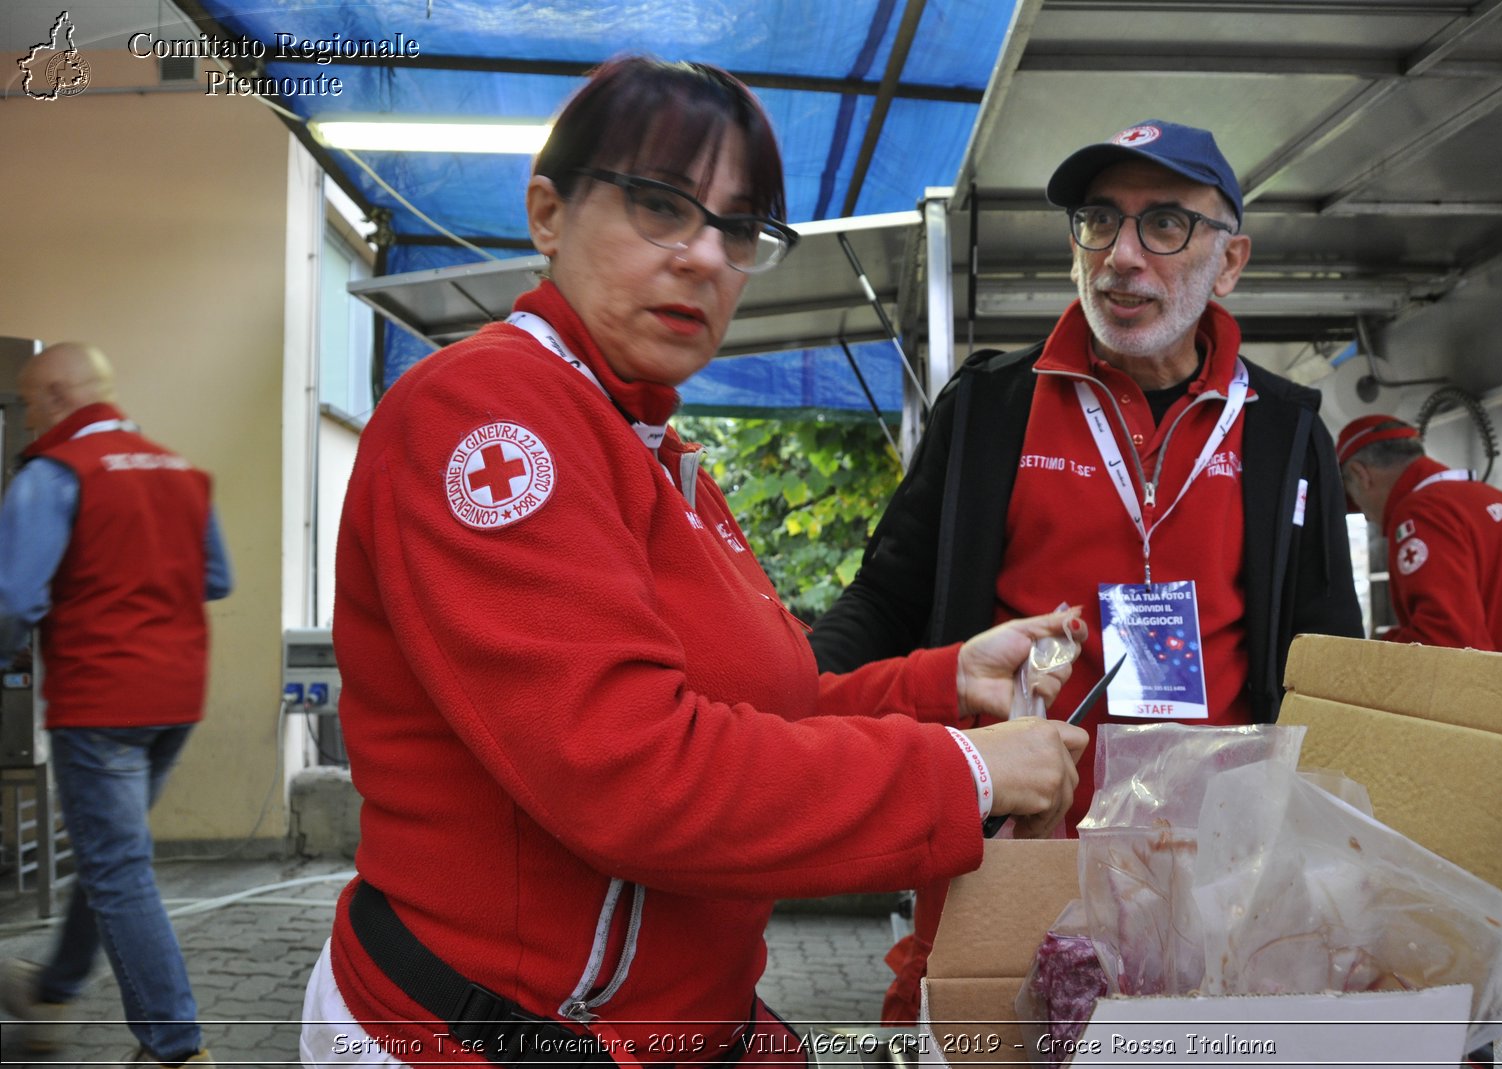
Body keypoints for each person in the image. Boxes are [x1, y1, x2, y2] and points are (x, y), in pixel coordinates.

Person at [297, 55, 1091, 1068]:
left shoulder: (656, 453)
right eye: (659, 206)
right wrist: (963, 769)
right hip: (495, 1032)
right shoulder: (491, 416)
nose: (704, 256)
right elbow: (632, 772)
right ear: (547, 212)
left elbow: (768, 711)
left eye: (737, 226)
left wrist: (946, 681)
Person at [809, 119, 1366, 1022]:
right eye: (1098, 221)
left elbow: (1331, 655)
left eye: (1166, 226)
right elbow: (887, 595)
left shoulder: (1286, 431)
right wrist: (799, 684)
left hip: (1213, 870)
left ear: (1230, 262)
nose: (1121, 257)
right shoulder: (992, 406)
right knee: (978, 1038)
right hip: (1010, 847)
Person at [0, 342, 232, 1068]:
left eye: (31, 400)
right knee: (112, 856)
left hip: (99, 698)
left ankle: (174, 1048)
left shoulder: (53, 474)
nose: (28, 413)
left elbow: (12, 596)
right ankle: (55, 988)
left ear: (60, 395)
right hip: (176, 697)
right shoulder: (180, 470)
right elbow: (215, 578)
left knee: (117, 867)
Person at [1337, 414, 1502, 856]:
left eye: (1356, 502)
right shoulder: (1494, 500)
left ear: (1362, 476)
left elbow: (1451, 645)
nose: (1369, 520)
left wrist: (1364, 660)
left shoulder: (1423, 511)